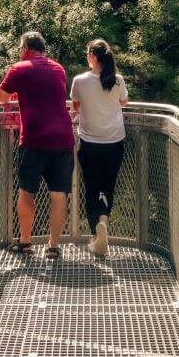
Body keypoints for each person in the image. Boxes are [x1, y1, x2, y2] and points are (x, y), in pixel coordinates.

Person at [0, 31, 74, 260]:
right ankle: (53, 247)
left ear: (26, 47)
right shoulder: (58, 68)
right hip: (63, 139)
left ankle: (26, 243)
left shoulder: (20, 68)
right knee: (59, 195)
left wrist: (17, 93)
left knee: (27, 192)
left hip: (34, 140)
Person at [70, 39, 128, 257]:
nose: (86, 56)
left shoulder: (80, 81)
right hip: (114, 142)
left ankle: (96, 236)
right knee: (108, 186)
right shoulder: (117, 80)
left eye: (88, 53)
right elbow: (123, 102)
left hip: (90, 143)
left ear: (93, 57)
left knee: (92, 188)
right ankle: (103, 220)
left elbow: (75, 106)